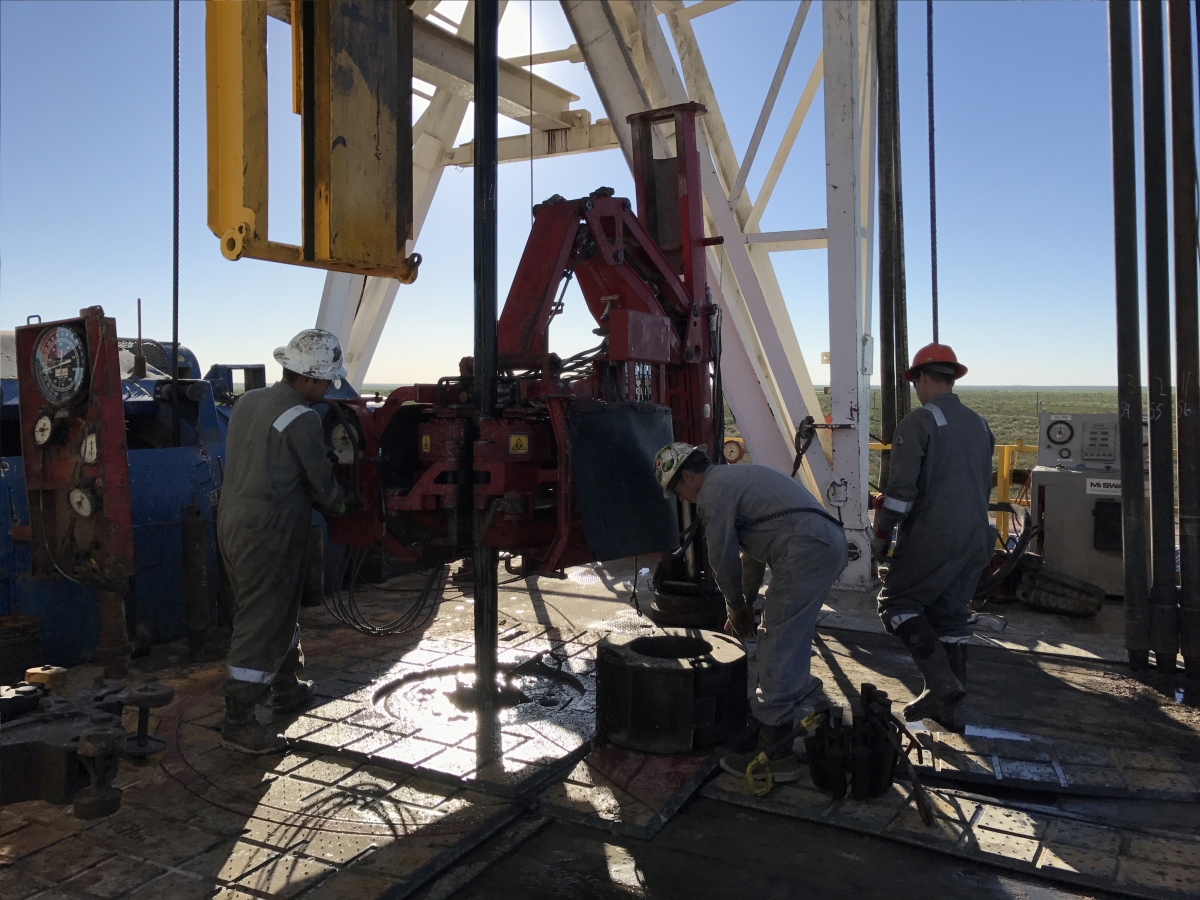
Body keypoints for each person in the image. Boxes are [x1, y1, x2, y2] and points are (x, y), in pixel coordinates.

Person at [653, 443, 848, 781]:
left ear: (688, 475)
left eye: (678, 490)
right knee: (793, 636)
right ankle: (788, 706)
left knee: (775, 640)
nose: (682, 499)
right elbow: (753, 557)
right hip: (826, 543)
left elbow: (723, 559)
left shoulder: (712, 495)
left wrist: (732, 604)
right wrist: (745, 601)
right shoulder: (735, 480)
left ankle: (776, 754)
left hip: (804, 548)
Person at [218, 329, 348, 754]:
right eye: (327, 380)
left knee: (275, 607)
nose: (329, 387)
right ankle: (239, 720)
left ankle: (287, 687)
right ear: (309, 379)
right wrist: (348, 507)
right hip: (269, 530)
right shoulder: (302, 418)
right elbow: (322, 482)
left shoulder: (248, 401)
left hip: (234, 521)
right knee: (262, 618)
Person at [871, 343, 994, 732]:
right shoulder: (979, 424)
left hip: (934, 535)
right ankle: (950, 709)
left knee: (896, 603)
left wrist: (881, 535)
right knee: (950, 617)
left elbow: (901, 494)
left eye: (916, 381)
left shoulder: (919, 422)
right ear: (952, 377)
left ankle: (940, 682)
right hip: (977, 535)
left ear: (922, 378)